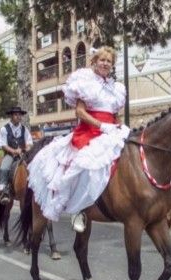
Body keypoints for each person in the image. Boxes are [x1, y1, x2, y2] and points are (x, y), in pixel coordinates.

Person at [28, 46, 129, 232]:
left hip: (111, 132)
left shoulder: (116, 88)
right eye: (102, 60)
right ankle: (78, 210)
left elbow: (115, 114)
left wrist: (119, 125)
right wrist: (101, 125)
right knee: (82, 167)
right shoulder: (86, 82)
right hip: (89, 132)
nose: (105, 64)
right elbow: (80, 112)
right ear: (94, 62)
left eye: (109, 61)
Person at [0, 106, 33, 204]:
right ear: (11, 116)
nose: (18, 117)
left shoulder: (24, 129)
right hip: (10, 155)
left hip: (23, 155)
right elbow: (3, 145)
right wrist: (13, 151)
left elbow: (29, 143)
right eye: (16, 115)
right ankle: (4, 190)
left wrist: (25, 149)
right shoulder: (4, 129)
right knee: (4, 167)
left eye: (20, 115)